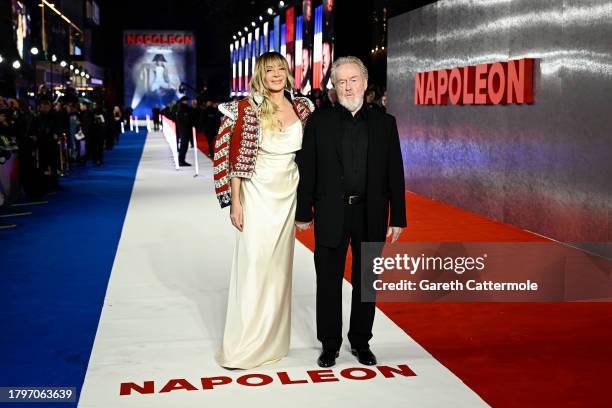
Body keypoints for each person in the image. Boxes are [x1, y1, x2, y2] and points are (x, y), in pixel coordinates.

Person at [295, 56, 407, 368]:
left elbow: (394, 173)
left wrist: (398, 216)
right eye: (341, 81)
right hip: (331, 212)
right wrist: (304, 211)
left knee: (366, 282)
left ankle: (360, 341)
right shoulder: (319, 122)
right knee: (327, 282)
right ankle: (329, 345)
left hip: (370, 214)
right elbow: (308, 169)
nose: (347, 86)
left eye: (353, 80)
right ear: (334, 86)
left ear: (365, 82)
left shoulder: (386, 124)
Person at [213, 51, 315, 370]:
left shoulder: (302, 106)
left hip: (289, 193)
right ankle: (245, 344)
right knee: (255, 264)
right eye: (269, 69)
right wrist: (237, 202)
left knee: (279, 268)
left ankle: (272, 340)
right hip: (257, 192)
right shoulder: (247, 107)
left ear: (288, 72)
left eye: (281, 69)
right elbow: (235, 156)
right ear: (260, 73)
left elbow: (310, 154)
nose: (276, 74)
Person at [175, 96, 193, 166]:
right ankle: (181, 161)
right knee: (184, 145)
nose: (187, 102)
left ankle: (182, 160)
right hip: (184, 130)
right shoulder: (182, 109)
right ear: (183, 101)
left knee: (185, 146)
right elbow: (185, 120)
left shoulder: (184, 108)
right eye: (186, 101)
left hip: (184, 129)